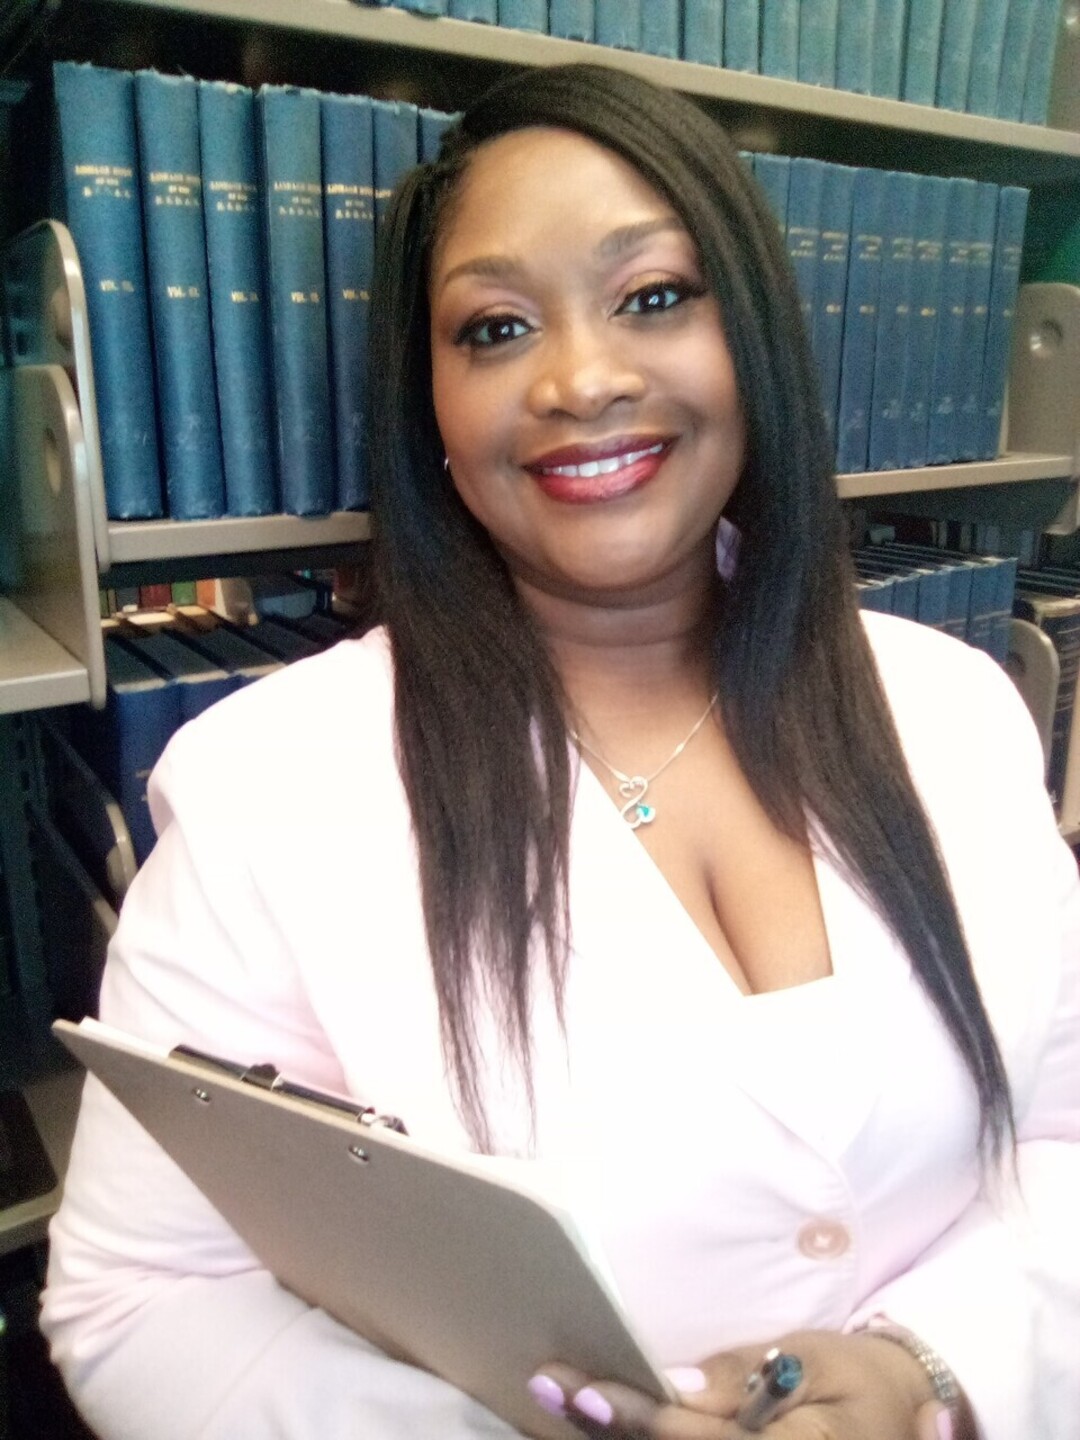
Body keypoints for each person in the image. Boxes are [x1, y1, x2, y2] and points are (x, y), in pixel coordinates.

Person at [42, 62, 1079, 1440]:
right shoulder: (268, 793)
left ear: (754, 334)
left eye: (654, 297)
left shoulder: (954, 708)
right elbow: (142, 1299)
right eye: (496, 328)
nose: (582, 379)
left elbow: (1061, 1141)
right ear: (430, 406)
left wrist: (928, 1374)